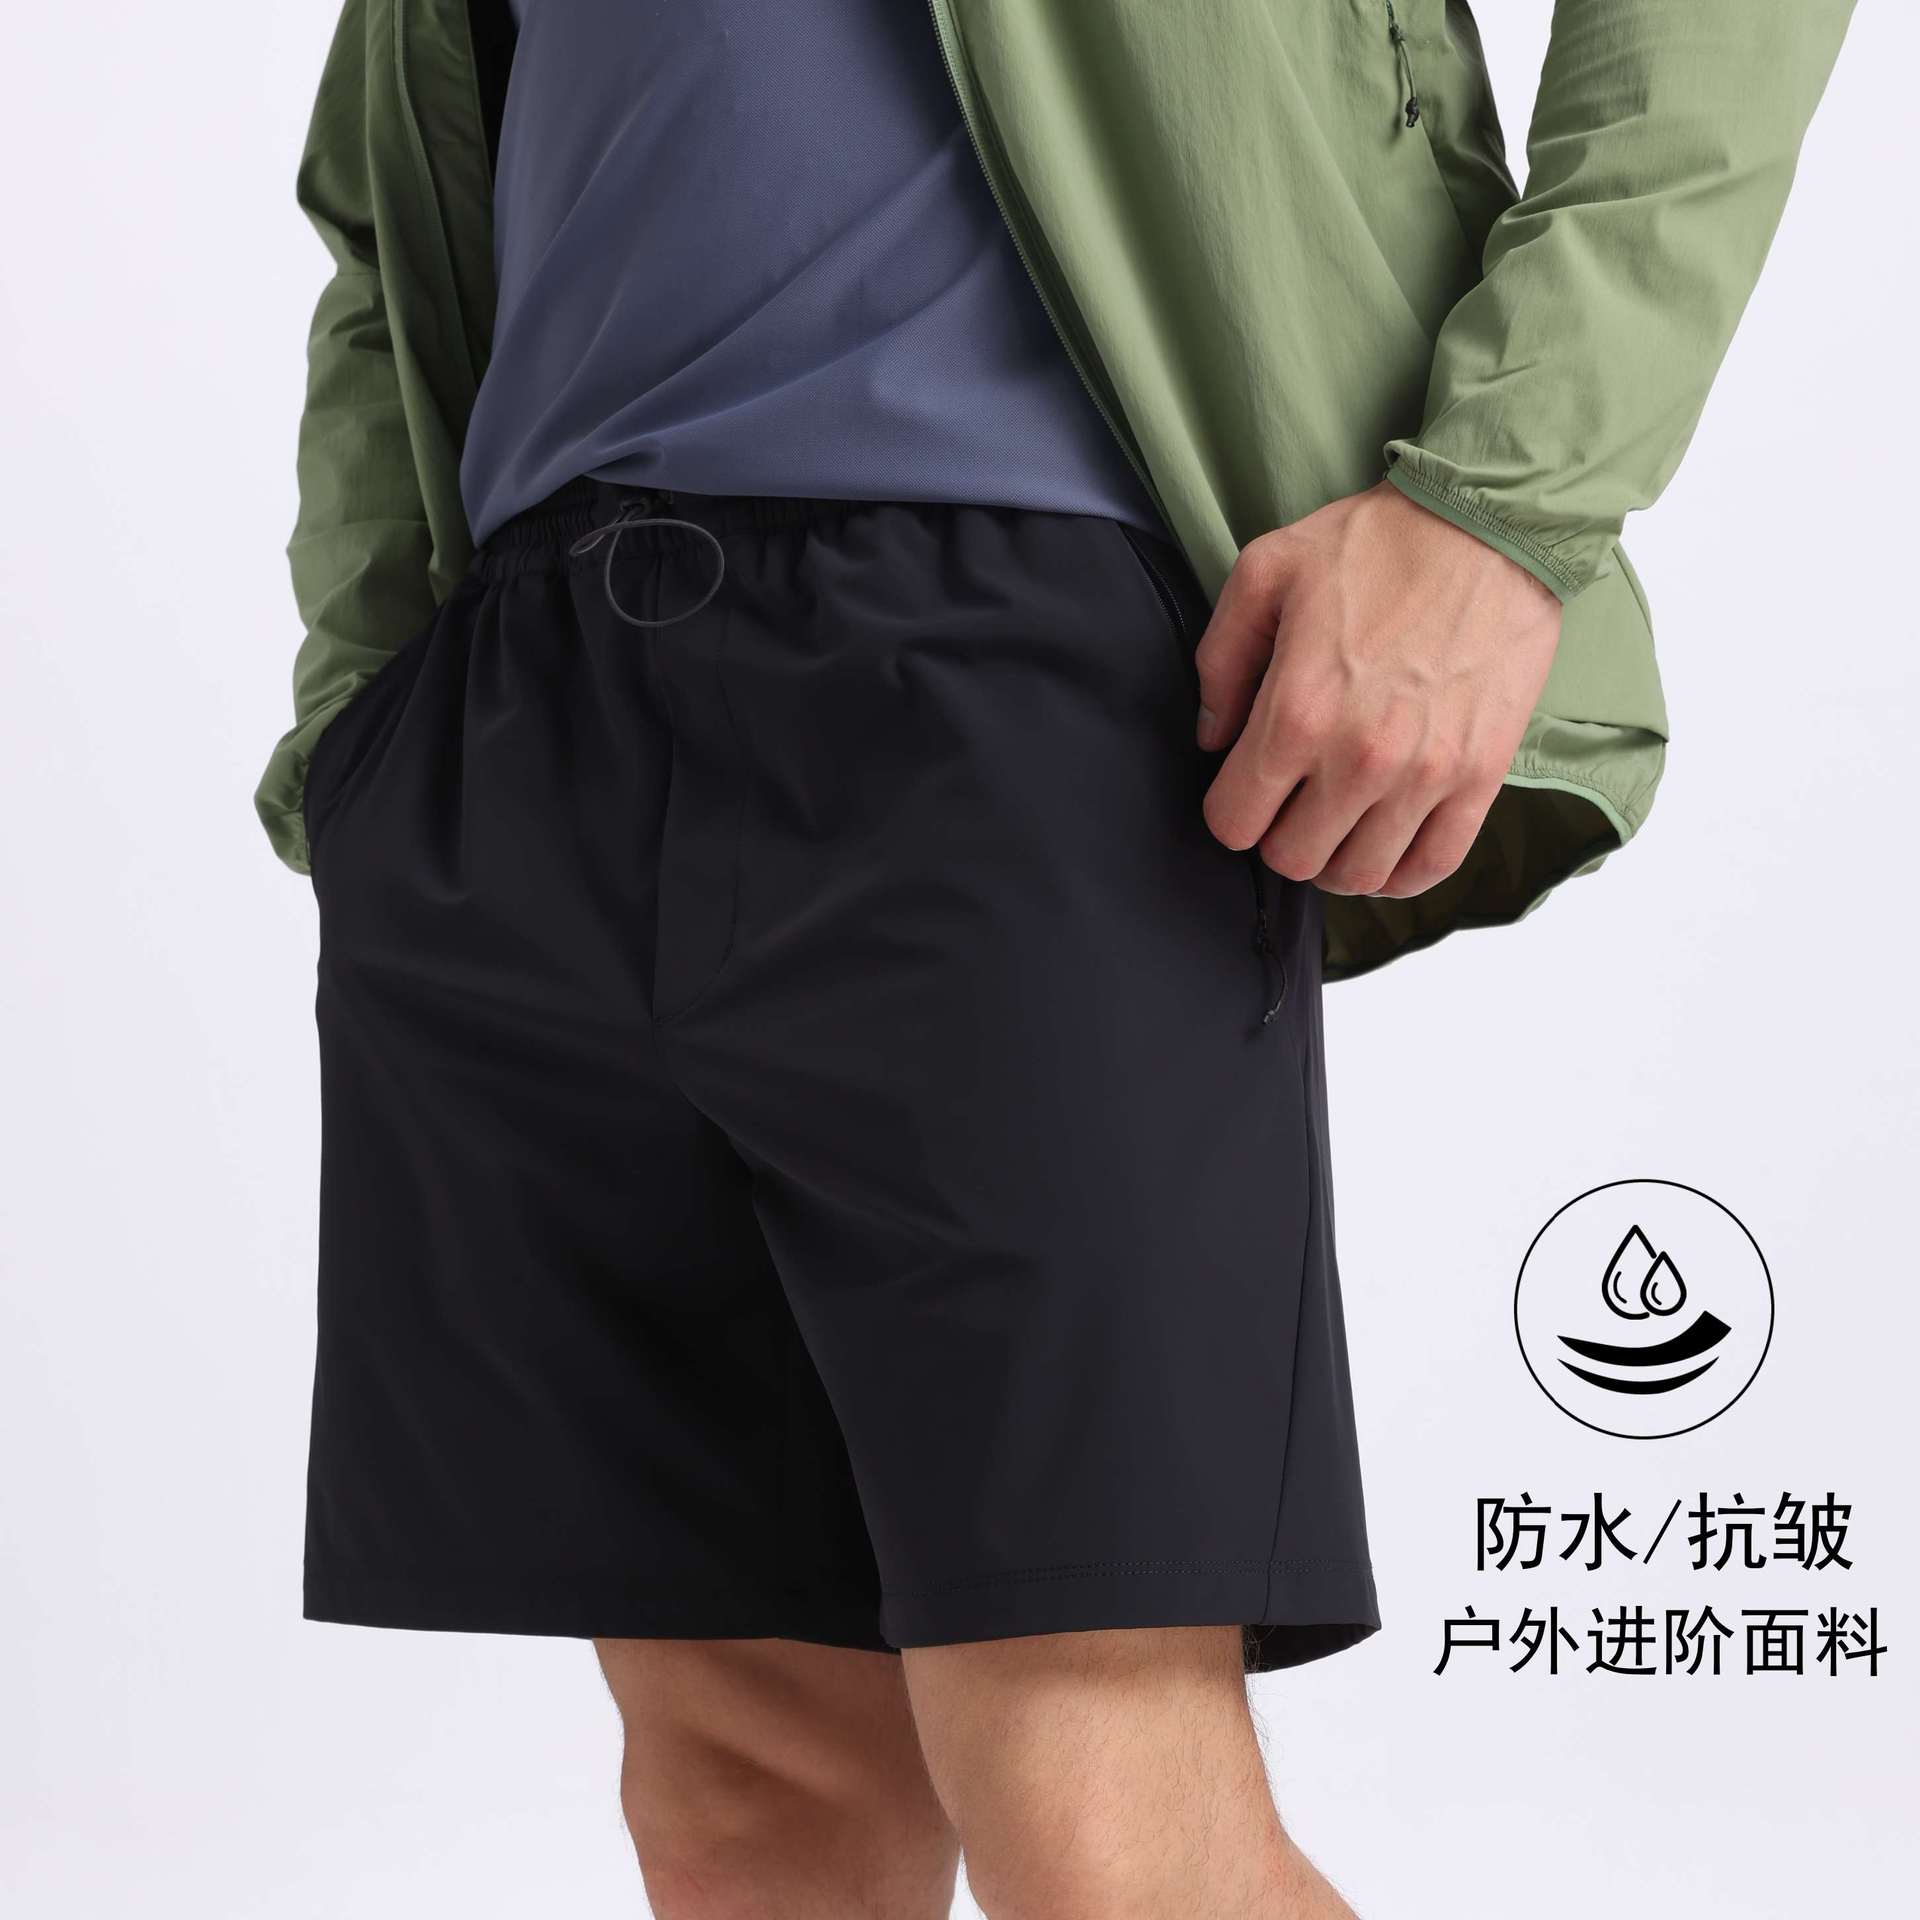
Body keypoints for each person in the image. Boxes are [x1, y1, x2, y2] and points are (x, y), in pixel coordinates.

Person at [258, 3, 1853, 1913]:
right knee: (743, 1787)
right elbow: (391, 181)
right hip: (534, 680)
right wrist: (368, 710)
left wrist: (1502, 500)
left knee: (1104, 1816)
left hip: (1044, 643)